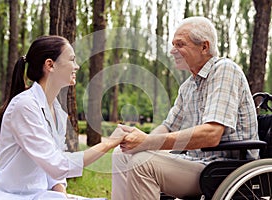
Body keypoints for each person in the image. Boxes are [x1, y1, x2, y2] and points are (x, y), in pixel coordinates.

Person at [111, 16, 259, 200]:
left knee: (141, 164)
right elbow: (168, 127)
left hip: (224, 168)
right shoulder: (188, 86)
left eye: (180, 44)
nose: (173, 51)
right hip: (197, 162)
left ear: (204, 47)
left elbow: (211, 134)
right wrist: (134, 138)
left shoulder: (224, 70)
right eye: (173, 45)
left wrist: (148, 142)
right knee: (122, 154)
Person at [0, 35, 125, 200]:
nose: (77, 66)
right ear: (50, 64)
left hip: (38, 195)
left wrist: (62, 197)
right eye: (72, 60)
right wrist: (108, 143)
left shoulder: (57, 111)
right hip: (9, 195)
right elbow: (58, 165)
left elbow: (54, 172)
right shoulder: (24, 106)